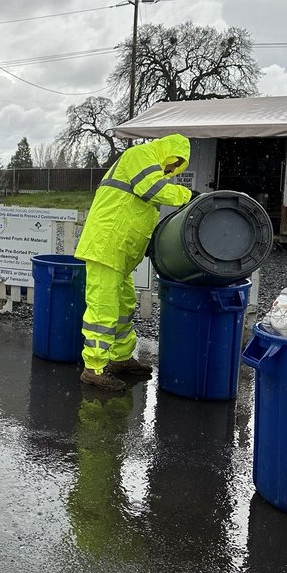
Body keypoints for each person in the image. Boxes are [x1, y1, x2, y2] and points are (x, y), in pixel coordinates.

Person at [75, 134, 193, 390]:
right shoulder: (139, 156)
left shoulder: (151, 167)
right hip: (106, 247)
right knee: (102, 310)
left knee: (124, 306)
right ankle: (93, 368)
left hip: (120, 253)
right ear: (166, 150)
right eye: (173, 162)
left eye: (177, 167)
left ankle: (119, 358)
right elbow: (149, 190)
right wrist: (188, 195)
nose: (171, 170)